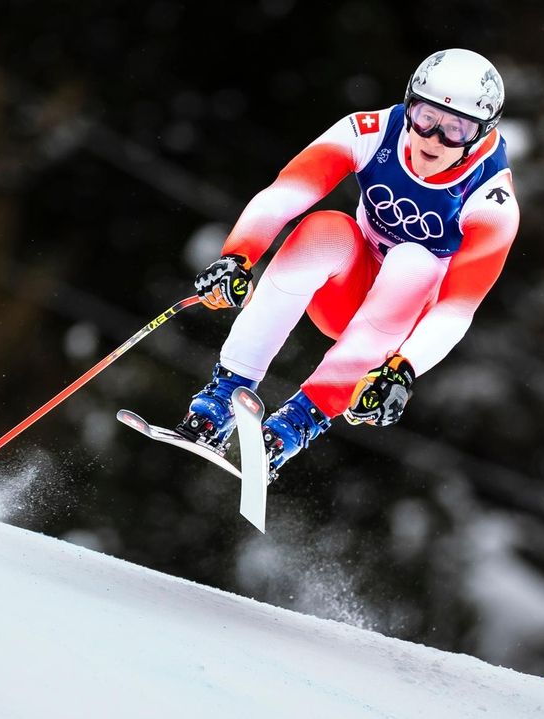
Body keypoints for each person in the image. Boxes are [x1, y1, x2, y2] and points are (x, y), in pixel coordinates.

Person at [178, 48, 519, 479]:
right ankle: (227, 391)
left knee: (413, 260)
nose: (433, 140)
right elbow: (287, 192)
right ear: (409, 103)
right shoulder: (372, 131)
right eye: (425, 117)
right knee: (325, 228)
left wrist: (404, 369)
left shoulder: (492, 201)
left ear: (482, 133)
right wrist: (237, 256)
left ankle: (297, 423)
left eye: (457, 129)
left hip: (400, 324)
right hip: (342, 294)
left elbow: (457, 308)